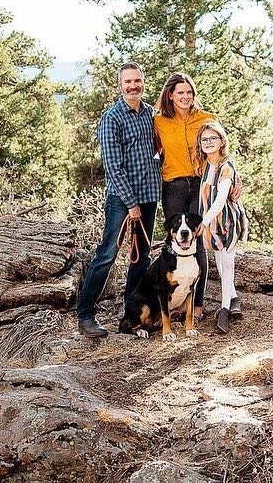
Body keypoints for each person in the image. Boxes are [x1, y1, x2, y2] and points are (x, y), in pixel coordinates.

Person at [77, 62, 160, 338]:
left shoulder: (150, 113)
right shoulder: (112, 119)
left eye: (137, 80)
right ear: (120, 85)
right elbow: (113, 168)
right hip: (122, 200)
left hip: (149, 196)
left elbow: (157, 150)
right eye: (128, 82)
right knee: (107, 255)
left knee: (142, 258)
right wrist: (131, 204)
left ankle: (130, 319)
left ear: (143, 81)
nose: (133, 85)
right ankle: (86, 315)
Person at [153, 73, 215, 321]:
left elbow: (219, 150)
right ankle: (172, 298)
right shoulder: (158, 122)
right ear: (170, 95)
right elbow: (150, 152)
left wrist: (234, 178)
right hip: (172, 187)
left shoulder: (206, 119)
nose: (185, 97)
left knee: (198, 239)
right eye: (180, 92)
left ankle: (196, 305)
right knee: (175, 241)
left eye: (189, 92)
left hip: (200, 184)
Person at [194, 120, 247, 334]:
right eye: (204, 139)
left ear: (221, 141)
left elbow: (220, 200)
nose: (208, 142)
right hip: (212, 222)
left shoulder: (226, 166)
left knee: (227, 265)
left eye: (212, 138)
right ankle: (233, 301)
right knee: (218, 259)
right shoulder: (206, 164)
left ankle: (224, 311)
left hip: (226, 221)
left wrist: (202, 222)